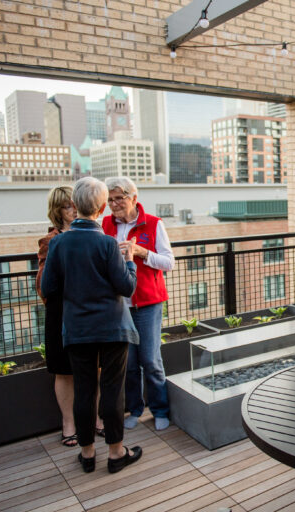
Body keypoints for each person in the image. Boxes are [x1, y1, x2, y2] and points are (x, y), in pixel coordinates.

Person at [40, 177, 142, 474]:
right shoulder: (108, 244)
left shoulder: (58, 243)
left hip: (78, 330)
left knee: (84, 391)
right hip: (112, 328)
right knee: (112, 391)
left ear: (78, 205)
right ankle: (115, 453)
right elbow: (126, 287)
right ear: (100, 207)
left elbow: (49, 288)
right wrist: (130, 260)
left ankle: (87, 455)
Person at [102, 177, 174, 431]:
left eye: (119, 198)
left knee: (150, 359)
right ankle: (135, 409)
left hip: (149, 301)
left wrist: (143, 254)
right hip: (121, 304)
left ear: (133, 197)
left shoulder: (153, 224)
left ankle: (160, 409)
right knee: (129, 363)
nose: (114, 204)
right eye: (110, 200)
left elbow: (168, 262)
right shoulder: (105, 225)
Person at [35, 185, 78, 447]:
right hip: (61, 311)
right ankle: (69, 423)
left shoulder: (94, 234)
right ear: (56, 211)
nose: (72, 209)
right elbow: (42, 284)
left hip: (88, 310)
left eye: (75, 204)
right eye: (66, 205)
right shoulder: (49, 242)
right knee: (63, 371)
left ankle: (95, 419)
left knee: (94, 368)